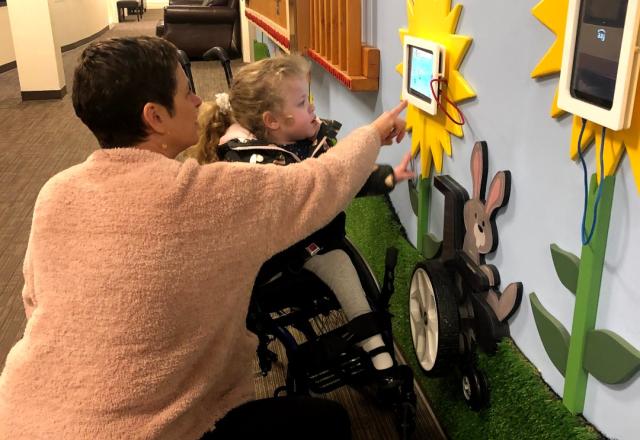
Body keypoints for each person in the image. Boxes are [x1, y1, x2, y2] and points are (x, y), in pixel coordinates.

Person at [0, 36, 407, 440]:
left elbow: (34, 301)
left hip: (21, 413)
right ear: (154, 116)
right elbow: (321, 182)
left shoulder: (56, 191)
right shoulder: (206, 195)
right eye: (186, 91)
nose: (198, 101)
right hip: (153, 427)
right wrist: (375, 132)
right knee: (328, 422)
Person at [182, 54, 414, 380]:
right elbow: (317, 186)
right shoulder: (245, 165)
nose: (313, 109)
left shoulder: (310, 138)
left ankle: (372, 342)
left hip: (318, 244)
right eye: (304, 102)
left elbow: (341, 177)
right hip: (270, 261)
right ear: (273, 121)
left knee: (346, 274)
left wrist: (386, 176)